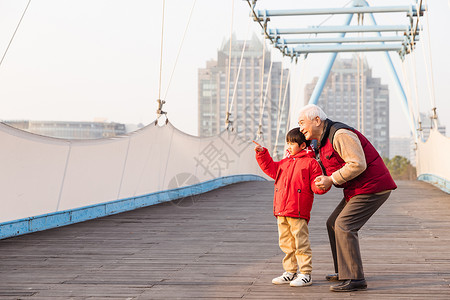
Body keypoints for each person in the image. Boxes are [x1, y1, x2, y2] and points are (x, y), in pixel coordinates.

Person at [297, 104, 397, 292]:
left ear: (317, 120)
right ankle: (344, 272)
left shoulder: (340, 134)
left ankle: (356, 278)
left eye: (302, 123)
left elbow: (357, 164)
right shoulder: (322, 141)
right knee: (333, 222)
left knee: (344, 224)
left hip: (372, 187)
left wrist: (331, 179)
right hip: (358, 189)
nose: (301, 128)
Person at [254, 128, 328, 287]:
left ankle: (305, 273)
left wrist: (321, 186)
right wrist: (262, 154)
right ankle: (290, 271)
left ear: (302, 145)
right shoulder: (284, 162)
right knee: (286, 243)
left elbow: (316, 185)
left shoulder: (311, 163)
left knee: (301, 242)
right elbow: (270, 168)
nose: (288, 146)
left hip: (298, 211)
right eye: (287, 142)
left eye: (291, 143)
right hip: (281, 210)